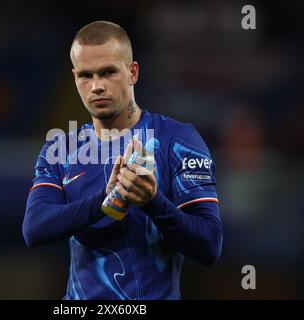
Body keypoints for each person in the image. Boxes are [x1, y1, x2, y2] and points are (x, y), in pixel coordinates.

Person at [22, 21, 223, 300]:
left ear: (132, 72)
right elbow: (34, 228)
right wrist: (105, 200)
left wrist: (153, 202)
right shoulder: (60, 149)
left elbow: (210, 245)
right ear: (74, 77)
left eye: (107, 73)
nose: (96, 86)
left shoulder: (178, 140)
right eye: (85, 75)